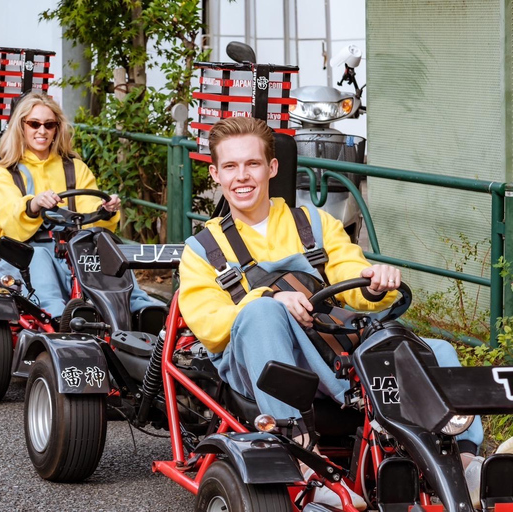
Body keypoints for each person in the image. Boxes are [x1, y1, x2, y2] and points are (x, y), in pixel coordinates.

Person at [177, 116, 498, 509]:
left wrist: (372, 279)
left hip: (326, 347)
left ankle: (463, 463)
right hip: (256, 362)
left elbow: (347, 271)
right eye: (230, 166)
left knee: (435, 352)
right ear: (215, 174)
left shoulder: (313, 223)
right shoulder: (201, 248)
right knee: (262, 313)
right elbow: (209, 325)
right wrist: (267, 299)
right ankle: (302, 458)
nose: (242, 177)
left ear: (272, 168)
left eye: (252, 164)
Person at [0, 92, 160, 321]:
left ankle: (139, 308)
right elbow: (10, 221)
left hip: (71, 246)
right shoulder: (5, 172)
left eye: (49, 125)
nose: (42, 131)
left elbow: (89, 212)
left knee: (105, 249)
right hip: (24, 248)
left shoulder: (74, 167)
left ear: (57, 129)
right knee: (38, 256)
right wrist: (34, 204)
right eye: (34, 124)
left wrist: (105, 210)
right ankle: (59, 316)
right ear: (21, 127)